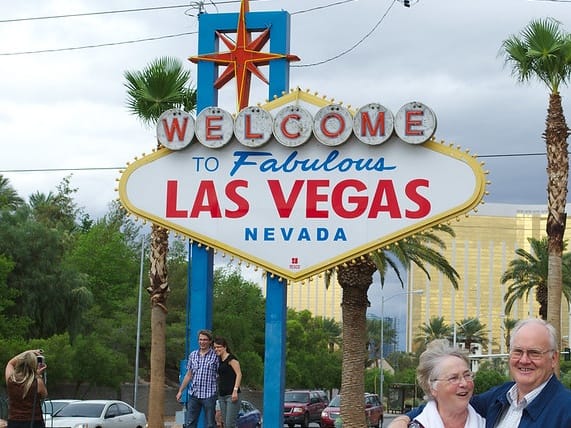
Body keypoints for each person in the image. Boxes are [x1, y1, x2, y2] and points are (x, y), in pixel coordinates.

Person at [389, 318, 571, 428]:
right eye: (518, 351)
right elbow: (448, 404)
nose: (524, 360)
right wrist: (404, 419)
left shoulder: (566, 410)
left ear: (553, 358)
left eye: (534, 353)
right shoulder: (499, 398)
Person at [407, 339, 485, 428]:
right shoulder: (418, 425)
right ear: (432, 387)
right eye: (453, 378)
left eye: (467, 375)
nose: (464, 383)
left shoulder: (489, 424)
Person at [177, 330, 219, 428]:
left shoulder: (215, 356)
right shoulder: (193, 355)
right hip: (194, 394)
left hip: (209, 394)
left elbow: (220, 374)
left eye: (205, 340)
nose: (202, 342)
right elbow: (188, 375)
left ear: (209, 341)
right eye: (200, 340)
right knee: (190, 423)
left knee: (210, 424)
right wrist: (180, 391)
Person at [5, 349, 48, 428]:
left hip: (14, 422)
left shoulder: (11, 380)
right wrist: (38, 376)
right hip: (34, 422)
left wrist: (29, 352)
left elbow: (10, 363)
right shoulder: (37, 382)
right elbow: (44, 395)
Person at [213, 337, 242, 428]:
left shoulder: (231, 359)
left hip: (231, 395)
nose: (216, 349)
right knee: (225, 423)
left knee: (230, 424)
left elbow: (239, 374)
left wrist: (235, 390)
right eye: (215, 347)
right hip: (222, 395)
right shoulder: (218, 360)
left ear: (225, 347)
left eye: (219, 347)